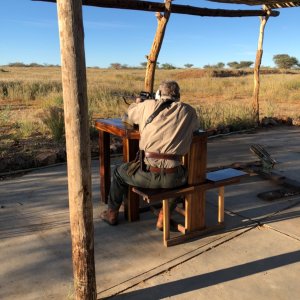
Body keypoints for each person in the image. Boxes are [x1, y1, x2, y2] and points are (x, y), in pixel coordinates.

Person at [100, 80, 199, 230]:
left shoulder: (148, 106)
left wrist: (137, 103)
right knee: (185, 177)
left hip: (146, 175)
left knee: (118, 172)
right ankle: (163, 217)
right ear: (178, 96)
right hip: (173, 178)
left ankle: (112, 213)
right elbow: (195, 128)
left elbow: (127, 117)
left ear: (159, 94)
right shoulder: (189, 111)